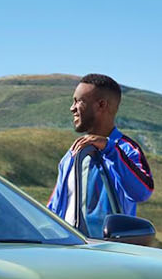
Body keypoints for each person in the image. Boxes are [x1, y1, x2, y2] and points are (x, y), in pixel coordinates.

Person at [47, 73, 155, 232]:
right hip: (68, 246)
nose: (72, 108)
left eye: (79, 101)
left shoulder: (126, 149)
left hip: (106, 247)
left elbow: (142, 192)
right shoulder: (72, 155)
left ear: (101, 105)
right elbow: (54, 209)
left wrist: (109, 149)